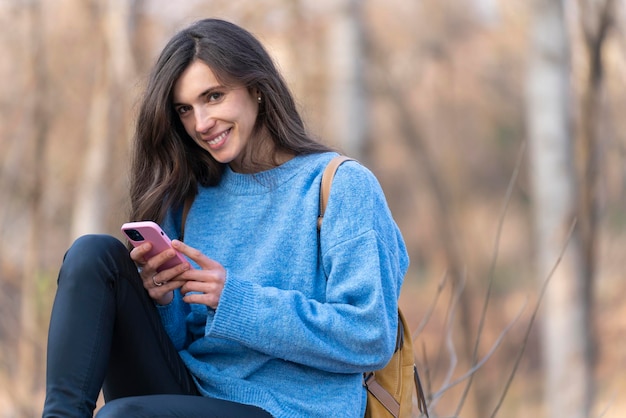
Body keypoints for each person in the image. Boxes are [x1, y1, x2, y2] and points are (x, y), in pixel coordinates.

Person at [42, 18, 409, 418]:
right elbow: (181, 339)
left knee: (123, 417)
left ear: (257, 88)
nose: (200, 124)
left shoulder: (338, 185)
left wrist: (234, 300)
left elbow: (370, 336)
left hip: (292, 408)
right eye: (185, 109)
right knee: (93, 254)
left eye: (213, 97)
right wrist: (164, 300)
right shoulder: (188, 197)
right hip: (195, 391)